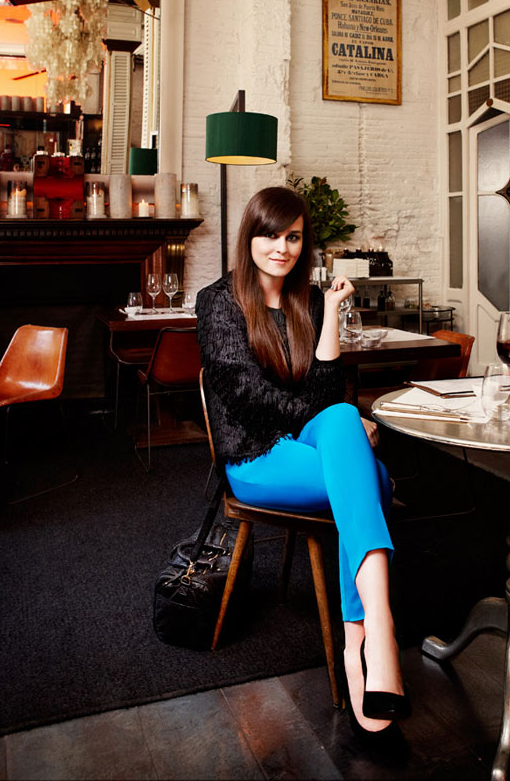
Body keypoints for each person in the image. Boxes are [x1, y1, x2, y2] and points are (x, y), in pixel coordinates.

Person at [196, 185, 409, 745]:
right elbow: (245, 396)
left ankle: (369, 634)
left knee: (341, 416)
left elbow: (326, 394)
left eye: (293, 237)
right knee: (370, 479)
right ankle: (369, 634)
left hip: (308, 442)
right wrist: (342, 433)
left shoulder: (308, 300)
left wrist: (331, 312)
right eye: (270, 235)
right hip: (255, 455)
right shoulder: (218, 302)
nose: (281, 248)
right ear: (249, 237)